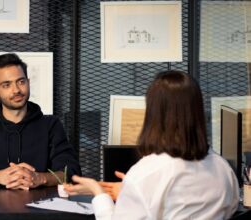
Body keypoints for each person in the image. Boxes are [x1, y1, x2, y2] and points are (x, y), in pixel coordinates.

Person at [65, 70, 239, 219]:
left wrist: (99, 194)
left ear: (154, 113)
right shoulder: (223, 168)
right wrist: (136, 190)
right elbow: (229, 209)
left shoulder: (146, 174)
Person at [0, 53, 81, 190]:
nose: (17, 90)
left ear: (28, 82)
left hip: (41, 207)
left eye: (21, 82)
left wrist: (39, 178)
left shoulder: (51, 125)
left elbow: (71, 172)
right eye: (7, 85)